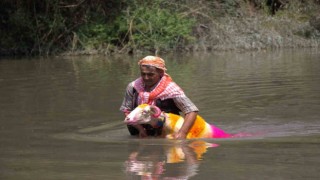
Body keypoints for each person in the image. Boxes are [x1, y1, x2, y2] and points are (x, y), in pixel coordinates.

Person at [120, 55, 199, 139]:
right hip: (139, 129)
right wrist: (141, 130)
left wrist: (182, 133)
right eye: (143, 74)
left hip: (167, 130)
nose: (146, 78)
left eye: (150, 74)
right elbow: (127, 110)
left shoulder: (171, 89)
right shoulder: (133, 87)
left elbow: (191, 111)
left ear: (161, 73)